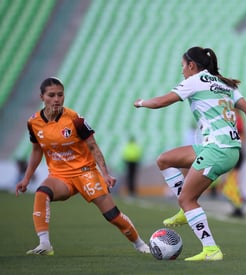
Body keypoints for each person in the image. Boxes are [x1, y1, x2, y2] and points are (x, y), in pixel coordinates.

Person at [133, 46, 246, 261]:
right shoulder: (224, 83)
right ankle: (185, 211)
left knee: (187, 198)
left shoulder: (195, 81)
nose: (182, 71)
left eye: (183, 66)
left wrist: (140, 103)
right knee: (164, 160)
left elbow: (160, 102)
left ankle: (211, 249)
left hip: (218, 150)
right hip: (221, 148)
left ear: (192, 65)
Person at [16, 77, 149, 255]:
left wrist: (106, 174)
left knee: (112, 215)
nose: (57, 99)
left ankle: (140, 244)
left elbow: (93, 146)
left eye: (60, 95)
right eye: (52, 95)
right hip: (60, 176)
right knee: (42, 192)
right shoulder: (33, 123)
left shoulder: (75, 120)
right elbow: (36, 151)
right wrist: (26, 179)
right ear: (42, 97)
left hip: (86, 172)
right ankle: (45, 244)